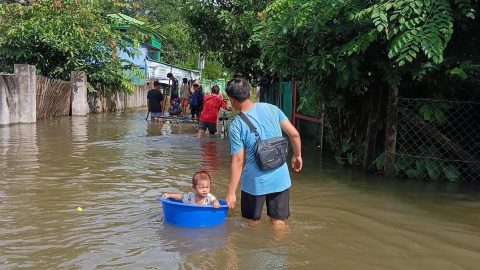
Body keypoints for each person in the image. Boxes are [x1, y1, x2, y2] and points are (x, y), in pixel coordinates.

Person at [225, 78, 302, 228]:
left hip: (254, 183)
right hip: (280, 178)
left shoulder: (236, 125)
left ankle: (254, 249)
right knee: (279, 222)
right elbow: (294, 134)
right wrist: (297, 156)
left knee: (251, 222)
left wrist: (231, 192)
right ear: (248, 93)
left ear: (232, 100)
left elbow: (238, 161)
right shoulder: (272, 109)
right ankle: (280, 250)